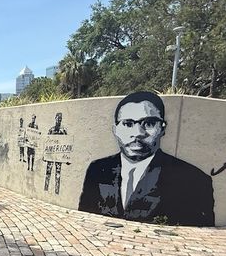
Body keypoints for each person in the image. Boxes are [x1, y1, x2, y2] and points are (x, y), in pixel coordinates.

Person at [78, 91, 215, 226]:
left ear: (162, 128)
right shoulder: (97, 170)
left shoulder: (193, 180)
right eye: (128, 124)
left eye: (149, 123)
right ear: (115, 130)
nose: (138, 133)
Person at [44, 112, 68, 194]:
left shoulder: (63, 130)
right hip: (50, 156)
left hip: (59, 156)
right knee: (48, 172)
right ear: (55, 118)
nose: (59, 120)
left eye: (60, 119)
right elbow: (47, 142)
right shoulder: (51, 130)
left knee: (58, 173)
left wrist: (67, 157)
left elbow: (67, 143)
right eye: (58, 118)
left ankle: (56, 191)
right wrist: (45, 155)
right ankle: (46, 190)